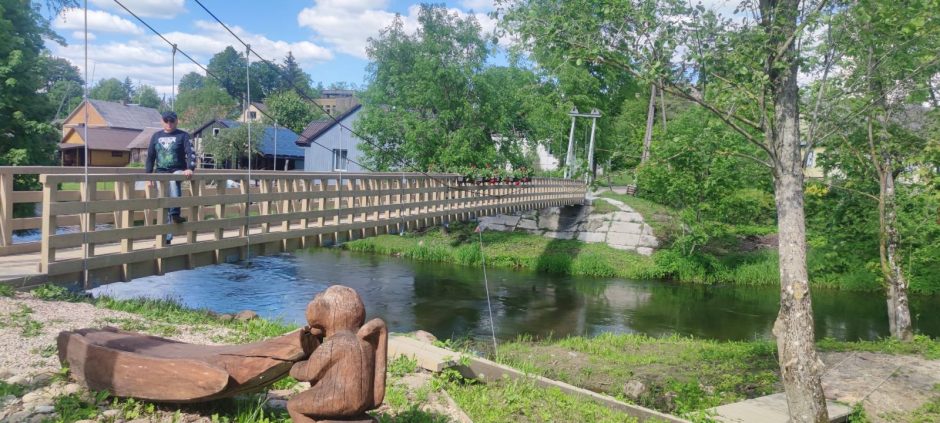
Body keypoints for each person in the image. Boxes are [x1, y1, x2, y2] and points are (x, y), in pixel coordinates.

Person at [146, 111, 195, 245]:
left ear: (176, 121)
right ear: (162, 121)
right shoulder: (156, 136)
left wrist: (190, 168)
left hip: (178, 170)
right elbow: (150, 156)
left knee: (174, 180)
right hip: (160, 172)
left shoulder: (183, 135)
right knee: (164, 204)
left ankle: (175, 213)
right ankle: (166, 238)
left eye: (172, 121)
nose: (169, 123)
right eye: (166, 121)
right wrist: (148, 175)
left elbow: (191, 153)